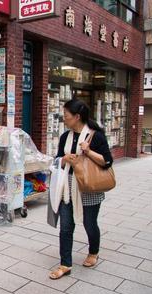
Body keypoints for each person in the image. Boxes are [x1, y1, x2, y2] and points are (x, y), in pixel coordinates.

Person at [49, 99, 113, 280]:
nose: (64, 119)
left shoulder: (96, 136)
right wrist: (64, 159)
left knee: (89, 224)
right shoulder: (64, 137)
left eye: (66, 116)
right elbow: (58, 160)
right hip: (67, 188)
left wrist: (88, 151)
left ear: (77, 117)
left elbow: (107, 162)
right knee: (66, 227)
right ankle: (65, 264)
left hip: (89, 187)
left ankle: (94, 252)